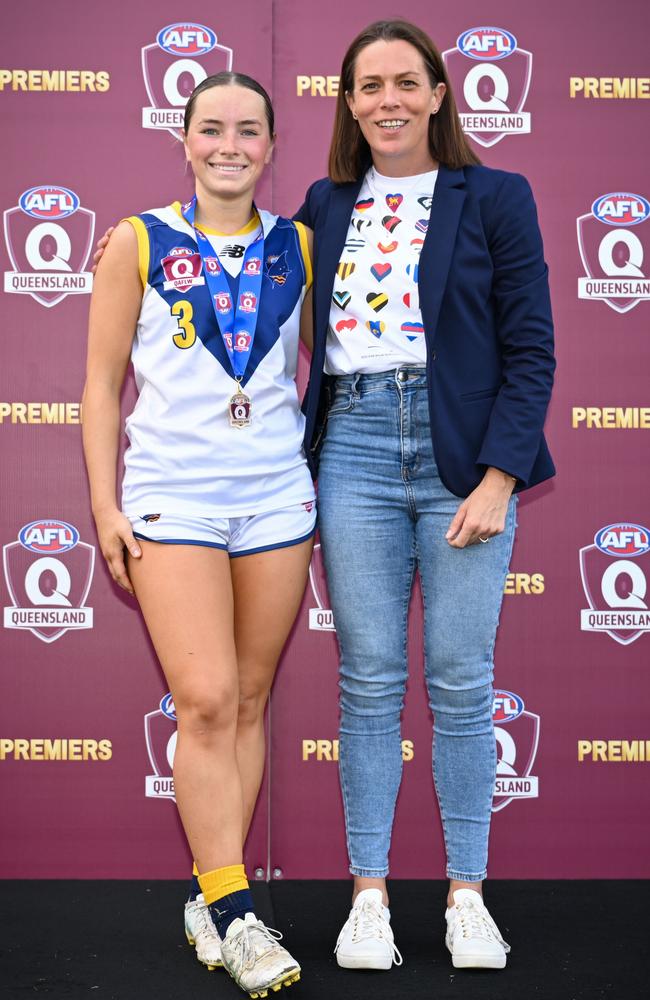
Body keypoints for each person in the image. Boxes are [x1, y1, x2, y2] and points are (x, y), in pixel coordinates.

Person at [294, 19, 555, 971]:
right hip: (354, 447)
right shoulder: (324, 204)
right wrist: (139, 241)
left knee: (459, 678)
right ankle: (369, 896)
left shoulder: (495, 195)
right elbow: (236, 262)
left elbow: (531, 348)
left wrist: (500, 474)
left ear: (441, 93)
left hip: (461, 457)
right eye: (369, 86)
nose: (388, 101)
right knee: (366, 681)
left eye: (407, 82)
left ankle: (466, 894)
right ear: (350, 102)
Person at [82, 71, 315, 997]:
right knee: (208, 697)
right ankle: (235, 913)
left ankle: (208, 890)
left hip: (275, 500)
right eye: (211, 129)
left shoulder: (303, 242)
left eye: (248, 130)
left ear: (270, 145)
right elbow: (102, 388)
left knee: (250, 699)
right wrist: (105, 508)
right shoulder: (137, 241)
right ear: (183, 140)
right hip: (173, 499)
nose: (229, 145)